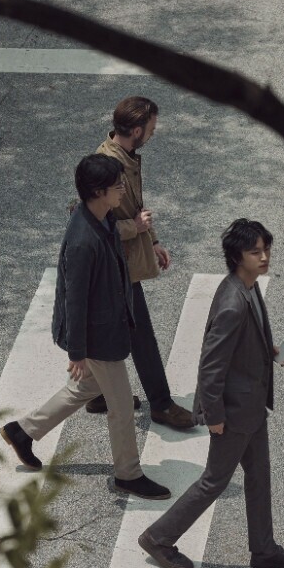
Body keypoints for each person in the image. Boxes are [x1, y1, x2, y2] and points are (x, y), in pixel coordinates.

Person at [138, 219, 284, 568]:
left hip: (251, 407)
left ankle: (264, 549)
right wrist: (214, 416)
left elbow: (244, 344)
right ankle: (158, 538)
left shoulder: (247, 286)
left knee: (259, 475)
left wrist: (271, 351)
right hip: (233, 412)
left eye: (266, 249)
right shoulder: (233, 302)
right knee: (214, 481)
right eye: (255, 252)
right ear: (237, 257)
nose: (264, 257)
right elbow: (211, 366)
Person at [0, 154, 170, 500]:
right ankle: (127, 474)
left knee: (86, 387)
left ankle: (23, 432)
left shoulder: (102, 217)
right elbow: (74, 301)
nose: (123, 189)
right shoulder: (82, 241)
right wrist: (77, 352)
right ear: (97, 191)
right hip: (97, 336)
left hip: (106, 327)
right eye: (117, 185)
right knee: (121, 406)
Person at [85, 96, 194, 429]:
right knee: (141, 334)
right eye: (151, 128)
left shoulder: (126, 157)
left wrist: (154, 240)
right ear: (136, 130)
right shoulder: (107, 165)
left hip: (122, 260)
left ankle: (98, 392)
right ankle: (161, 404)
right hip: (115, 265)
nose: (153, 133)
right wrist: (136, 228)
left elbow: (135, 206)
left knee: (111, 327)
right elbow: (90, 223)